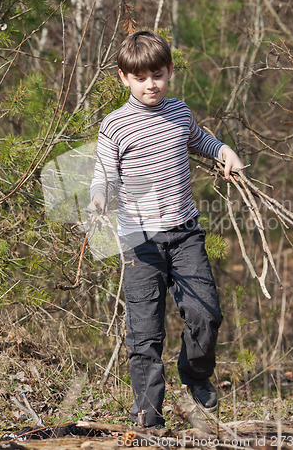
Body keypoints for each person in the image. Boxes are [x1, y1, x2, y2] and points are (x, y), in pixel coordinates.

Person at [90, 30, 244, 429]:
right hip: (138, 243)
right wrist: (99, 200)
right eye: (140, 78)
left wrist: (226, 151)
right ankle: (148, 418)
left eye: (157, 75)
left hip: (184, 234)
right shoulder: (114, 126)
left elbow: (203, 142)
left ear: (169, 72)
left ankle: (194, 372)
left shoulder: (179, 112)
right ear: (124, 77)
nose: (150, 85)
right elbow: (103, 177)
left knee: (205, 313)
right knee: (144, 336)